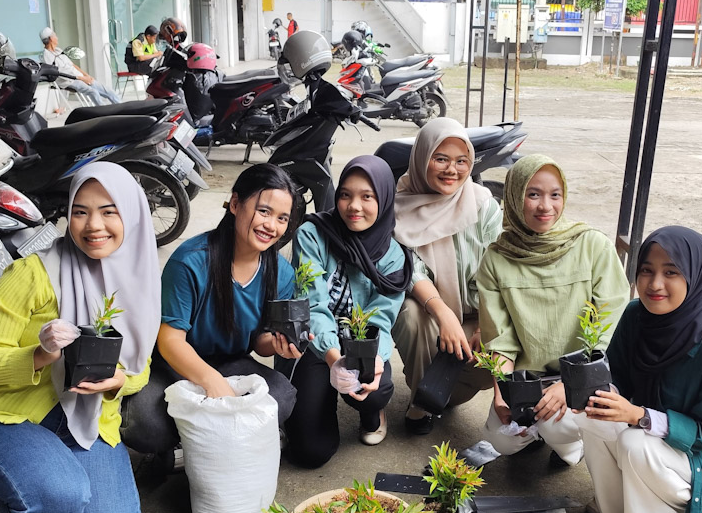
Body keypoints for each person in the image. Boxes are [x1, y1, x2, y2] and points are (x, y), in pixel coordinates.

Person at [0, 162, 160, 513]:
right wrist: (40, 353)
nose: (93, 225)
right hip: (12, 420)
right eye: (80, 211)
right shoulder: (32, 273)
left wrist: (119, 381)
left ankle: (54, 502)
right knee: (57, 498)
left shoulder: (140, 282)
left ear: (132, 215)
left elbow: (142, 363)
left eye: (109, 211)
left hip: (91, 423)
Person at [580, 226, 702, 513]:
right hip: (657, 444)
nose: (655, 284)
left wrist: (638, 416)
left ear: (695, 276)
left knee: (634, 442)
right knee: (593, 420)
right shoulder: (635, 316)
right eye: (647, 270)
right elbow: (617, 376)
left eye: (671, 272)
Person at [120, 164, 303, 459]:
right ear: (234, 204)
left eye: (282, 218)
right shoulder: (190, 261)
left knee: (281, 396)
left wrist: (277, 344)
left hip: (231, 363)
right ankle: (185, 445)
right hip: (172, 365)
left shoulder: (280, 272)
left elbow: (259, 341)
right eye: (264, 211)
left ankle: (193, 450)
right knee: (143, 423)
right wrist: (211, 381)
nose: (272, 226)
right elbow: (170, 341)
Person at [476, 155, 630, 466]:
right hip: (531, 378)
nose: (545, 206)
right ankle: (544, 434)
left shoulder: (592, 246)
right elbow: (500, 339)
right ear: (515, 197)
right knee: (502, 439)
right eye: (533, 194)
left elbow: (606, 326)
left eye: (554, 194)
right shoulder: (497, 258)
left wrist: (569, 383)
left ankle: (571, 450)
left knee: (556, 423)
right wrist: (503, 392)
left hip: (585, 374)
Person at [286, 155, 412, 467]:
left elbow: (382, 317)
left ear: (383, 199)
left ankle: (372, 413)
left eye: (367, 196)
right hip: (317, 342)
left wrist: (375, 360)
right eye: (346, 194)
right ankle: (317, 394)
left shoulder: (393, 255)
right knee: (310, 452)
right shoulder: (312, 234)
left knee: (374, 389)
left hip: (360, 343)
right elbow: (311, 303)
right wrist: (333, 359)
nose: (354, 206)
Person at [392, 118, 502, 435]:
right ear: (422, 157)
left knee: (500, 344)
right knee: (410, 314)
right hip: (433, 312)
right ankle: (422, 402)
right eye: (440, 159)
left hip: (478, 314)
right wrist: (445, 316)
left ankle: (445, 390)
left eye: (461, 161)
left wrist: (485, 322)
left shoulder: (483, 206)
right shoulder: (401, 205)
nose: (451, 170)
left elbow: (501, 269)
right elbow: (411, 269)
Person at [40, 27, 121, 106]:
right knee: (93, 92)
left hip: (79, 77)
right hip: (68, 81)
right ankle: (104, 113)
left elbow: (72, 65)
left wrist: (86, 75)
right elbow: (61, 73)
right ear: (51, 39)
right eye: (55, 36)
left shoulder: (59, 50)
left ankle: (123, 109)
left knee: (109, 91)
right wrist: (83, 78)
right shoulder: (46, 56)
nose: (57, 38)